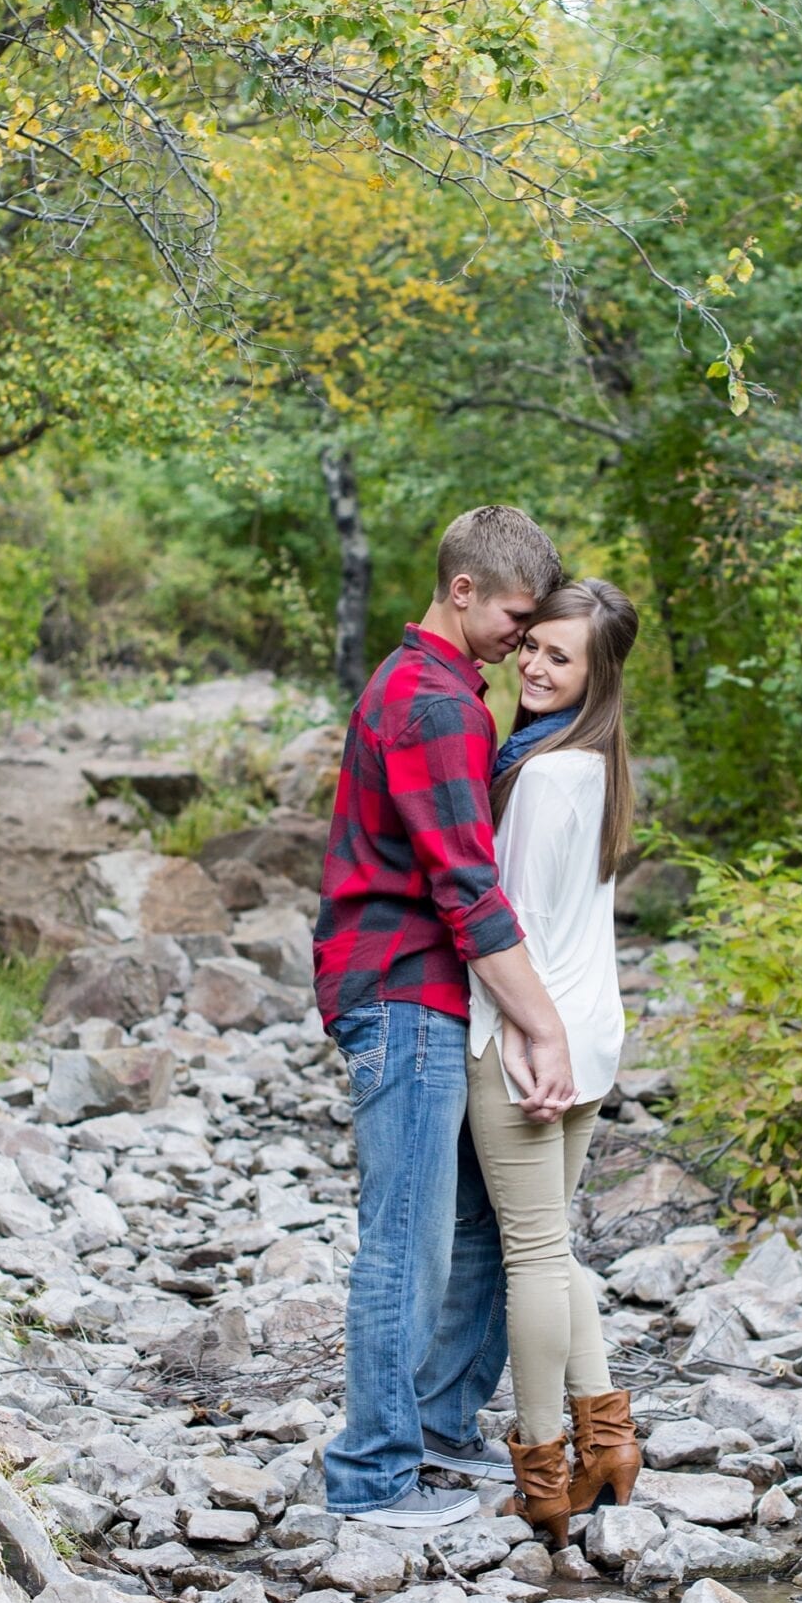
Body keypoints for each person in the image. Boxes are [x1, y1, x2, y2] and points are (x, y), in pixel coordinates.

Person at [313, 505, 577, 1530]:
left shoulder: (440, 690)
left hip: (431, 995)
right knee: (406, 1239)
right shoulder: (432, 704)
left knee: (472, 1224)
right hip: (405, 994)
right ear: (461, 590)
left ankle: (430, 1428)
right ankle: (373, 1473)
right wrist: (543, 1026)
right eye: (516, 614)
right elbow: (466, 887)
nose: (522, 635)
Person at [465, 577, 643, 1549]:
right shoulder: (596, 763)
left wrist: (524, 1038)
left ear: (594, 675)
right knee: (555, 1242)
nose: (531, 665)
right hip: (590, 1029)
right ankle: (607, 1440)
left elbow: (509, 925)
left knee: (529, 1253)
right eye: (529, 645)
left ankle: (541, 1472)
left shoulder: (539, 774)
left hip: (528, 1039)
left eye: (557, 657)